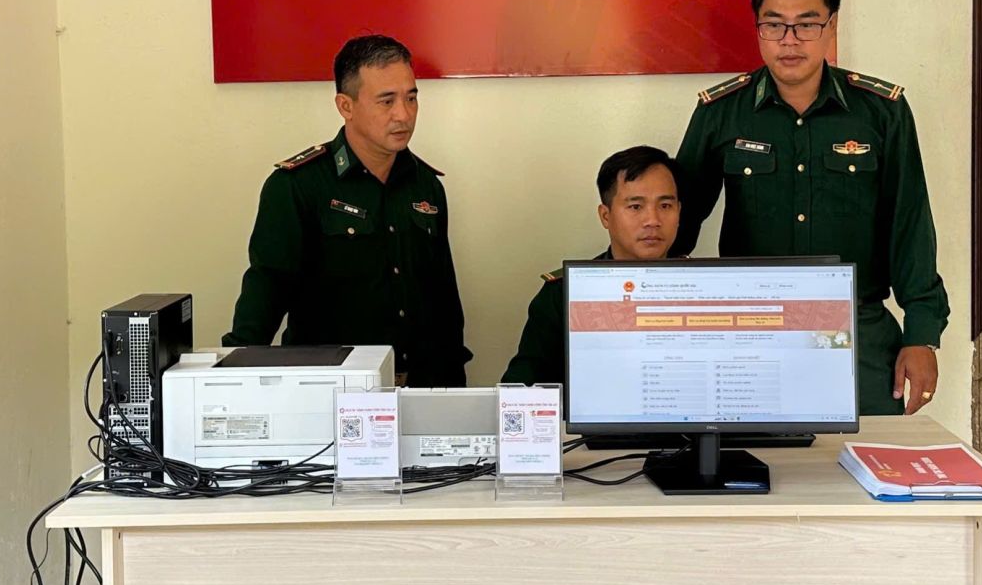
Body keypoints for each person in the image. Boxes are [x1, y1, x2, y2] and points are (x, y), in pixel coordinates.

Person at [671, 0, 947, 415]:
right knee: (753, 457)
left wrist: (922, 335)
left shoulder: (882, 113)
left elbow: (910, 224)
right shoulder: (721, 113)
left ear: (832, 26)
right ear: (758, 27)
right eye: (774, 24)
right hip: (751, 333)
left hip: (855, 328)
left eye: (807, 24)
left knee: (864, 456)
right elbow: (677, 225)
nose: (790, 40)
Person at [222, 34, 470, 386]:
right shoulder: (298, 186)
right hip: (331, 391)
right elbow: (266, 295)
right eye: (386, 101)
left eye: (411, 98)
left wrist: (453, 392)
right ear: (346, 106)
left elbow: (444, 303)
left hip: (420, 388)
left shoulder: (426, 186)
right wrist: (232, 384)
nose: (403, 114)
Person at [501, 145, 680, 385]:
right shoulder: (563, 293)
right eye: (636, 207)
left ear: (679, 211)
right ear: (606, 216)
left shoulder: (709, 287)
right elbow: (523, 388)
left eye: (665, 206)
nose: (653, 220)